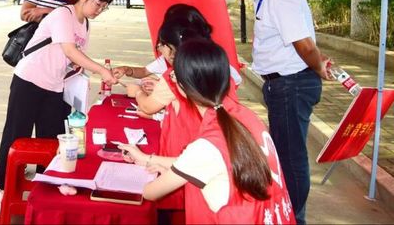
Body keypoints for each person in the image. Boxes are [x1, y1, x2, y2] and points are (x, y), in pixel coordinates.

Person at [120, 39, 295, 224]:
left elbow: (151, 192)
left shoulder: (207, 145)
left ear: (182, 86)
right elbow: (210, 163)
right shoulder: (248, 117)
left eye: (173, 76)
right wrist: (147, 159)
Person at [222, 0, 332, 224]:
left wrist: (319, 66)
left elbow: (304, 45)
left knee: (290, 158)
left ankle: (293, 217)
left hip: (291, 84)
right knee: (285, 153)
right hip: (284, 84)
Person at [0, 0, 117, 212]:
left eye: (104, 7)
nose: (99, 10)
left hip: (55, 86)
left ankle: (46, 187)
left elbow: (75, 57)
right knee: (15, 134)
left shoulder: (85, 24)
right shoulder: (63, 15)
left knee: (52, 139)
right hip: (29, 80)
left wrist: (80, 70)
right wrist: (101, 70)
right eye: (98, 3)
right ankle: (1, 189)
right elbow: (70, 50)